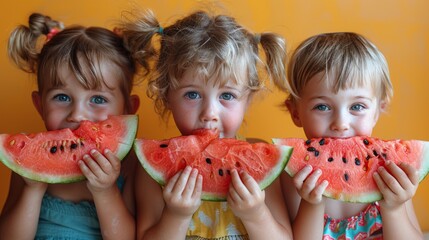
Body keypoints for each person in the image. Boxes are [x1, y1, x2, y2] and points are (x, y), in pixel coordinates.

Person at [120, 9, 293, 239]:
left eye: (227, 96)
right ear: (167, 97)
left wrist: (256, 214)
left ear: (248, 100)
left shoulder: (258, 159)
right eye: (192, 95)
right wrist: (176, 216)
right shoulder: (150, 172)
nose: (209, 113)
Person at [0, 13, 140, 240]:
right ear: (39, 105)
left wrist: (105, 191)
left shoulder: (130, 165)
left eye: (98, 99)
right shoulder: (28, 159)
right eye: (62, 97)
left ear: (128, 109)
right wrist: (32, 190)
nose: (77, 115)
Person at [278, 32, 423, 239]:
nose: (341, 124)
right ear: (295, 112)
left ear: (378, 110)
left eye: (357, 106)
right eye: (322, 106)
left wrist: (394, 209)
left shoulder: (390, 171)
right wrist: (312, 204)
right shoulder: (291, 176)